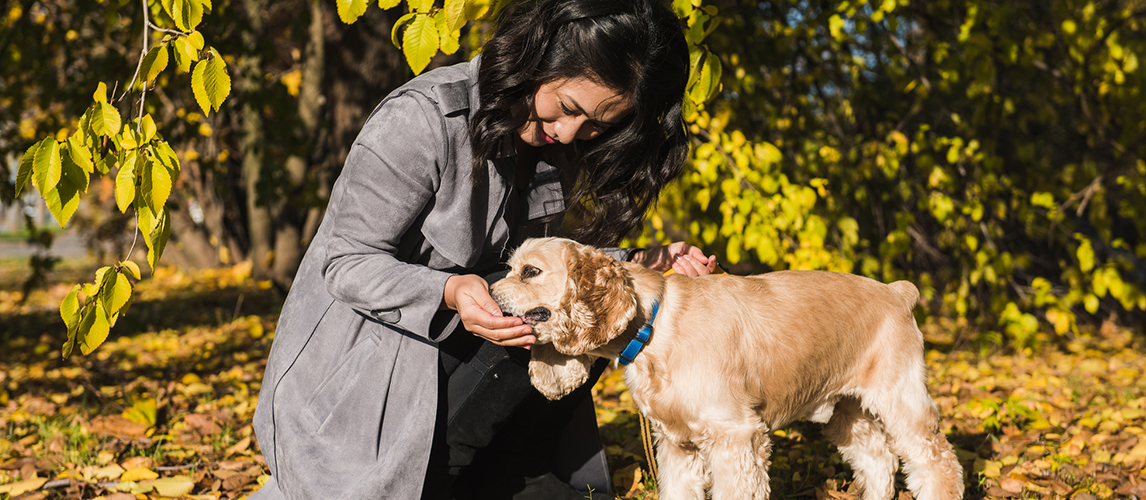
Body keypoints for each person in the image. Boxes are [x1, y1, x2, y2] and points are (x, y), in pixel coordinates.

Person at [250, 0, 716, 498]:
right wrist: (448, 291)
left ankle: (500, 476)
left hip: (466, 380)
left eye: (597, 126)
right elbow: (343, 263)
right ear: (542, 56)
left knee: (598, 305)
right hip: (356, 394)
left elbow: (532, 269)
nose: (570, 133)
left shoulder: (548, 144)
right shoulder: (421, 120)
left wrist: (637, 265)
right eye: (570, 108)